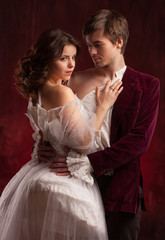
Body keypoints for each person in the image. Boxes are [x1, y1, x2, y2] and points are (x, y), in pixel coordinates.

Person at [38, 10, 160, 240]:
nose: (91, 52)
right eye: (88, 45)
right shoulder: (74, 79)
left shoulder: (148, 85)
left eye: (97, 44)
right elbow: (58, 120)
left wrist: (89, 163)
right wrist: (43, 144)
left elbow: (139, 141)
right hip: (71, 185)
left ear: (118, 42)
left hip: (120, 188)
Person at [0, 29, 123, 240]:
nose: (71, 65)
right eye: (63, 58)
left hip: (37, 175)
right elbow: (84, 143)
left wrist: (41, 144)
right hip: (62, 179)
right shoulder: (62, 92)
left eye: (74, 57)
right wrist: (103, 106)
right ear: (47, 59)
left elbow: (48, 133)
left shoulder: (37, 92)